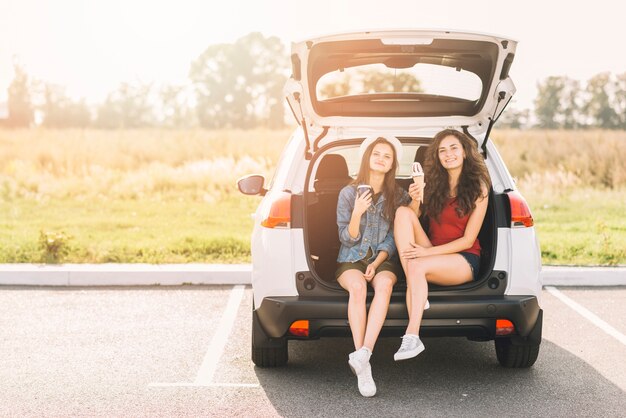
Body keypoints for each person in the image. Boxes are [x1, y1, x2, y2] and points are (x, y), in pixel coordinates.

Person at [393, 129, 490, 361]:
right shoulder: (435, 185)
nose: (448, 154)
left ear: (465, 152)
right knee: (402, 212)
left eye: (454, 148)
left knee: (416, 267)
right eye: (442, 150)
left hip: (464, 258)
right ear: (437, 156)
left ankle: (412, 336)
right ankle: (419, 292)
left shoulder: (479, 188)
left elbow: (468, 240)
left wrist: (426, 252)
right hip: (433, 253)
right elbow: (413, 217)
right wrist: (416, 198)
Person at [335, 136, 418, 397]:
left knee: (383, 286)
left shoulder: (399, 195)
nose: (381, 159)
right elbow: (346, 238)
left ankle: (363, 353)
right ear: (367, 159)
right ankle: (365, 368)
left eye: (387, 156)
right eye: (376, 154)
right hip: (351, 257)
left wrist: (378, 261)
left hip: (384, 258)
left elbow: (398, 234)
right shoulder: (348, 193)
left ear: (393, 163)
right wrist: (358, 212)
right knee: (358, 289)